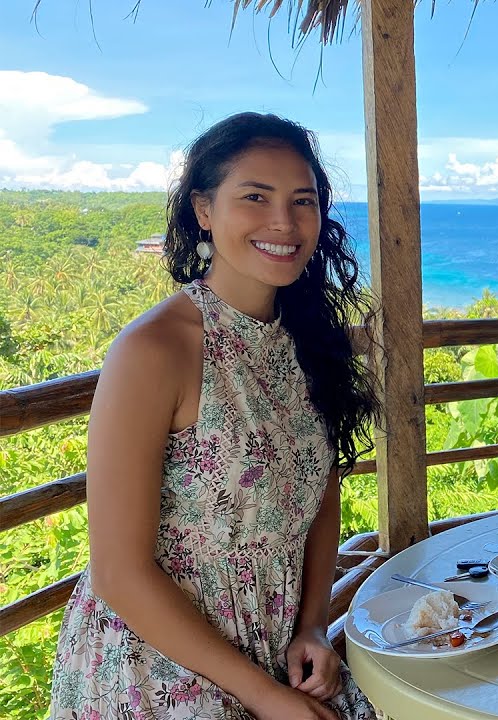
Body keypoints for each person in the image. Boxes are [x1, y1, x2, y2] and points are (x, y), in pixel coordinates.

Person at [49, 113, 380, 719]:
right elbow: (119, 573)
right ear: (204, 209)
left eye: (301, 201)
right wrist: (265, 698)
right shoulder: (157, 350)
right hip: (158, 667)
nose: (284, 221)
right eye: (255, 196)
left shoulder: (305, 339)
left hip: (277, 647)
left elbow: (319, 491)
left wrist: (312, 626)